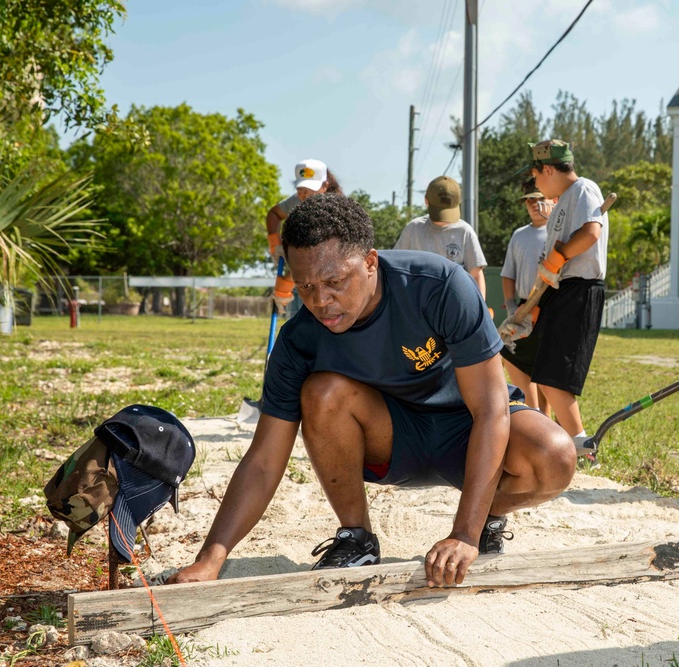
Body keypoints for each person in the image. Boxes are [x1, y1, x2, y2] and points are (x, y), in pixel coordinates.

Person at [167, 193, 575, 587]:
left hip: (466, 425)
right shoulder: (298, 341)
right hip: (390, 439)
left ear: (369, 262)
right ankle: (357, 537)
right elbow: (263, 461)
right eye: (305, 286)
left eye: (334, 281)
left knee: (555, 456)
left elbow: (491, 409)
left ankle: (486, 514)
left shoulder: (439, 285)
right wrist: (211, 558)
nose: (321, 300)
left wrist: (465, 534)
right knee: (322, 392)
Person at [525, 140, 609, 454]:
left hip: (581, 290)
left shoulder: (585, 189)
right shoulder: (562, 202)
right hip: (560, 291)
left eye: (535, 175)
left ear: (548, 169)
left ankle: (583, 448)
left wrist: (559, 257)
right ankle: (574, 443)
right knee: (545, 375)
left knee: (556, 378)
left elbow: (590, 233)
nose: (535, 183)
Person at [265, 159, 343, 316]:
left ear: (325, 186)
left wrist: (286, 284)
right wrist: (275, 244)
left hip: (328, 282)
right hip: (301, 277)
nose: (305, 194)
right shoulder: (296, 201)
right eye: (301, 189)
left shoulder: (333, 209)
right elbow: (273, 214)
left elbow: (316, 257)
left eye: (311, 189)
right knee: (297, 327)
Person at [500, 177, 552, 414]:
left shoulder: (557, 231)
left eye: (540, 199)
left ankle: (548, 422)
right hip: (523, 307)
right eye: (529, 200)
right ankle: (533, 416)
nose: (534, 204)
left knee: (547, 373)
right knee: (515, 361)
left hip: (551, 306)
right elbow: (508, 274)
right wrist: (512, 306)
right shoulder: (519, 235)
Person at [394, 175, 487, 299]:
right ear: (426, 201)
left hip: (454, 302)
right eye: (439, 211)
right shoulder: (413, 229)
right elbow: (396, 267)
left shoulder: (465, 231)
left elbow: (476, 275)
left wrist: (480, 310)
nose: (443, 218)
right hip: (418, 303)